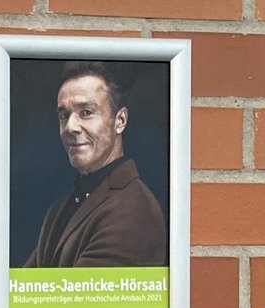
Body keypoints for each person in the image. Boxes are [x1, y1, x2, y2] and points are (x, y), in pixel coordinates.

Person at [23, 61, 169, 267]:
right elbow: (22, 290)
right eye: (64, 115)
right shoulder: (60, 209)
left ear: (120, 121)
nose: (70, 127)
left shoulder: (134, 212)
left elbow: (75, 299)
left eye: (86, 112)